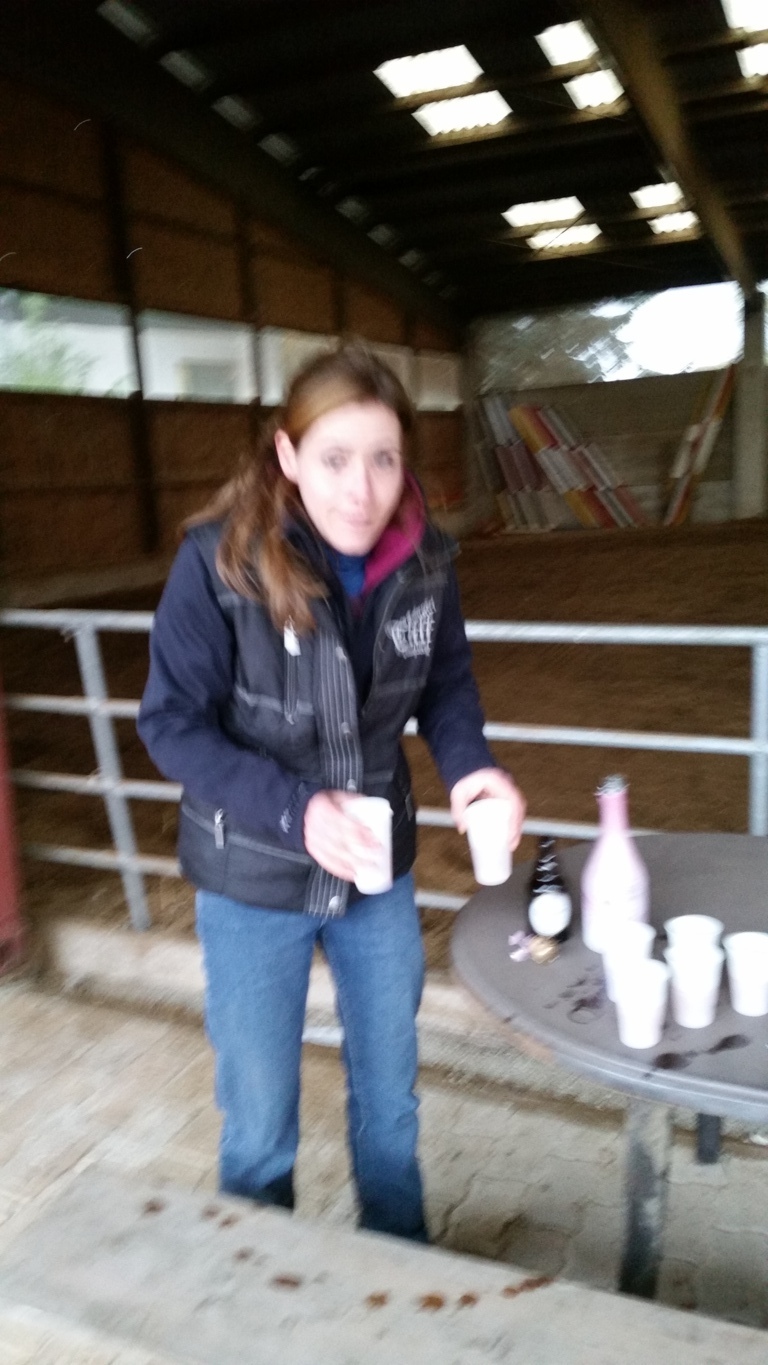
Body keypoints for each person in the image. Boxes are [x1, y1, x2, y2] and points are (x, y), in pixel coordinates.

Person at [138, 341, 525, 1242]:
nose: (362, 489)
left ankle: (399, 1268)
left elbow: (446, 685)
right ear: (288, 455)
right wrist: (296, 808)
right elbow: (171, 723)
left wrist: (472, 769)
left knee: (390, 1101)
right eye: (335, 459)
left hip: (376, 872)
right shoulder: (219, 565)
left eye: (384, 459)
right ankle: (259, 1280)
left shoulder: (426, 562)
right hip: (250, 877)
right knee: (260, 1118)